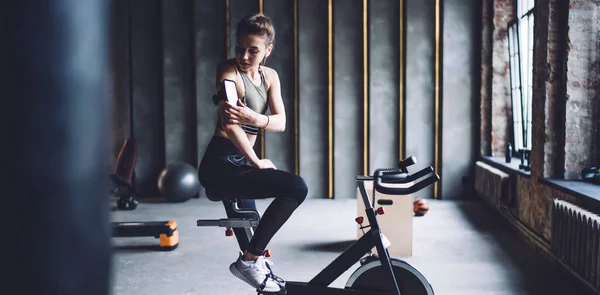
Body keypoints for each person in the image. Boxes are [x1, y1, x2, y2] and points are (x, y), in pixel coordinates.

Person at [197, 13, 308, 294]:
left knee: (254, 229)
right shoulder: (228, 73)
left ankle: (253, 263)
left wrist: (256, 118)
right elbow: (230, 125)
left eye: (253, 50)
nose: (244, 56)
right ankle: (248, 262)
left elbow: (281, 122)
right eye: (239, 47)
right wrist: (256, 160)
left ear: (268, 51)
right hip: (220, 163)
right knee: (296, 187)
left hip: (241, 164)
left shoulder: (270, 76)